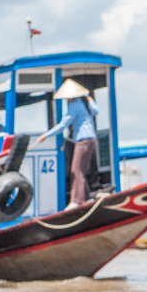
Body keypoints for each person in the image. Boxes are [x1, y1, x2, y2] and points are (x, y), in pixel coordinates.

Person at [45, 78, 100, 207]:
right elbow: (96, 111)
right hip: (90, 139)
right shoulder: (83, 103)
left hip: (83, 140)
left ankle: (78, 200)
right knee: (81, 170)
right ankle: (86, 198)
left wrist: (46, 135)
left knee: (76, 170)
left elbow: (64, 124)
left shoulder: (74, 105)